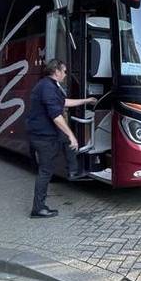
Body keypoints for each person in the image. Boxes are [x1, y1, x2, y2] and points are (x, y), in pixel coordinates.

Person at [26, 59, 96, 218]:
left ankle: (73, 170)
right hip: (43, 136)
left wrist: (86, 100)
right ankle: (38, 208)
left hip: (44, 133)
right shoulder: (48, 88)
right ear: (56, 71)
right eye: (64, 71)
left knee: (64, 139)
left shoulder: (49, 85)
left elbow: (64, 102)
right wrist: (72, 136)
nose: (65, 74)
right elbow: (57, 116)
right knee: (45, 171)